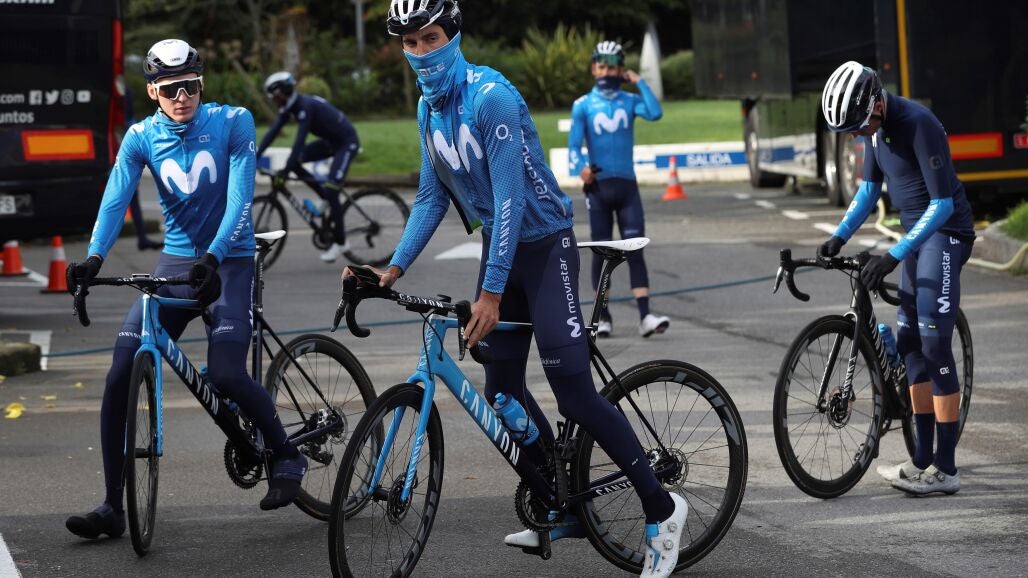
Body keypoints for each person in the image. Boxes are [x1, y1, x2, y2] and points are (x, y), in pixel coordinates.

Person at [344, 2, 688, 576]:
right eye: (410, 43)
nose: (421, 52)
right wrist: (391, 269)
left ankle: (661, 507)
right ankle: (560, 498)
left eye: (431, 38)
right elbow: (430, 197)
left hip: (545, 246)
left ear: (454, 35)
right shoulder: (429, 110)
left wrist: (491, 292)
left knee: (573, 393)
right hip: (501, 252)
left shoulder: (491, 98)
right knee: (502, 393)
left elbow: (510, 201)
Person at [64, 39, 307, 540]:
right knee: (119, 373)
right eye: (171, 89)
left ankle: (287, 454)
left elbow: (241, 198)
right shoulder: (141, 136)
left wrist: (215, 256)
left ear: (201, 84)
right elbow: (115, 199)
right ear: (153, 91)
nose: (182, 97)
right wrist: (94, 258)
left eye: (191, 86)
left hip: (229, 261)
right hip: (175, 265)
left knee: (227, 373)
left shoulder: (233, 121)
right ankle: (112, 506)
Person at [818, 61, 975, 496]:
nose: (856, 136)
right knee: (909, 345)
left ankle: (946, 469)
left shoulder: (919, 123)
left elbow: (942, 204)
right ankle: (920, 459)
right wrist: (838, 236)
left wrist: (893, 255)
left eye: (857, 126)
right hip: (918, 238)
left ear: (876, 104)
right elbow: (869, 190)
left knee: (934, 344)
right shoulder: (874, 129)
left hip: (947, 234)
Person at [568, 41, 670, 338]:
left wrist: (639, 82)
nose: (606, 72)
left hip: (627, 188)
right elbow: (573, 148)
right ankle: (603, 317)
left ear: (621, 70)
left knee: (636, 248)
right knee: (601, 252)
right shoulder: (583, 105)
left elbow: (655, 113)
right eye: (601, 66)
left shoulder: (630, 100)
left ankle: (645, 316)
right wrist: (581, 168)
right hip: (598, 188)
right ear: (593, 68)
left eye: (612, 67)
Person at [256, 71, 361, 263]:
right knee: (296, 164)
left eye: (275, 97)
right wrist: (255, 156)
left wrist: (285, 170)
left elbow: (299, 141)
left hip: (346, 143)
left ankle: (341, 242)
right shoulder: (291, 106)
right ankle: (324, 198)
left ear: (284, 93)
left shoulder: (305, 107)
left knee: (332, 189)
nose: (275, 102)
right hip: (330, 142)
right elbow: (272, 132)